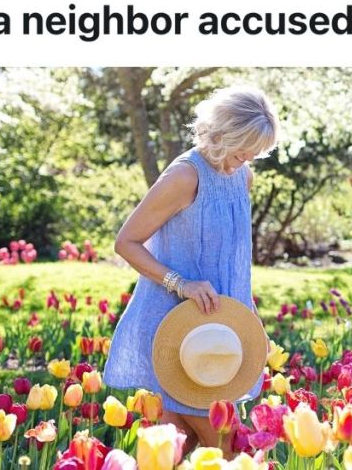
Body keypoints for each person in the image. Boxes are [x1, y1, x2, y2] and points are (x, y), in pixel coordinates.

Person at [104, 85, 280, 458]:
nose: (245, 161)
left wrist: (249, 318)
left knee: (174, 448)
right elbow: (127, 242)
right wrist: (179, 283)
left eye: (253, 154)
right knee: (233, 450)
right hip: (183, 330)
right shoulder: (185, 177)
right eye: (240, 151)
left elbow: (234, 262)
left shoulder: (242, 177)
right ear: (220, 134)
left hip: (221, 330)